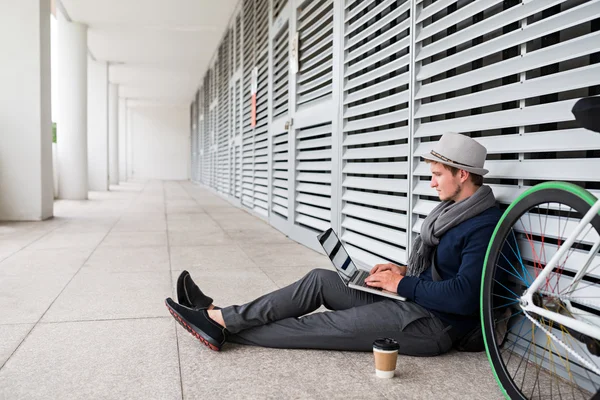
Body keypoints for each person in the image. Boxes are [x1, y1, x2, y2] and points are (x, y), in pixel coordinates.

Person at [165, 132, 502, 355]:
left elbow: (463, 297)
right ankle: (221, 317)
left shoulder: (482, 224)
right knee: (319, 279)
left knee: (318, 327)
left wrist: (401, 283)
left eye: (438, 175)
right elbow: (440, 270)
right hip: (414, 299)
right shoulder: (451, 211)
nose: (431, 184)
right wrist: (401, 270)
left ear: (462, 174)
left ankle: (217, 322)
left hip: (432, 325)